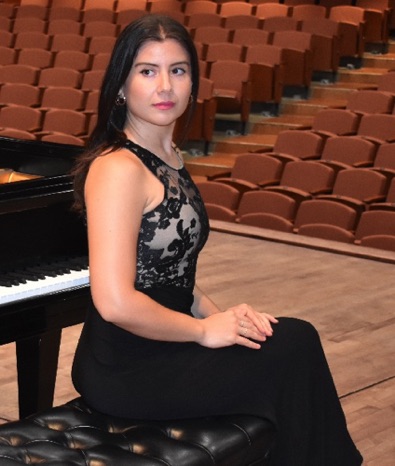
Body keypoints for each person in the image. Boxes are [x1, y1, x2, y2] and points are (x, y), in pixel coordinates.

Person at [71, 14, 363, 465]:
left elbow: (174, 276)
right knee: (294, 346)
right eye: (147, 71)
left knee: (283, 343)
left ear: (194, 85)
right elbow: (114, 302)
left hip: (165, 343)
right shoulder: (117, 169)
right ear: (121, 87)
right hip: (125, 366)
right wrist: (205, 331)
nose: (165, 86)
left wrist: (224, 316)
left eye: (178, 70)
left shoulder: (168, 155)